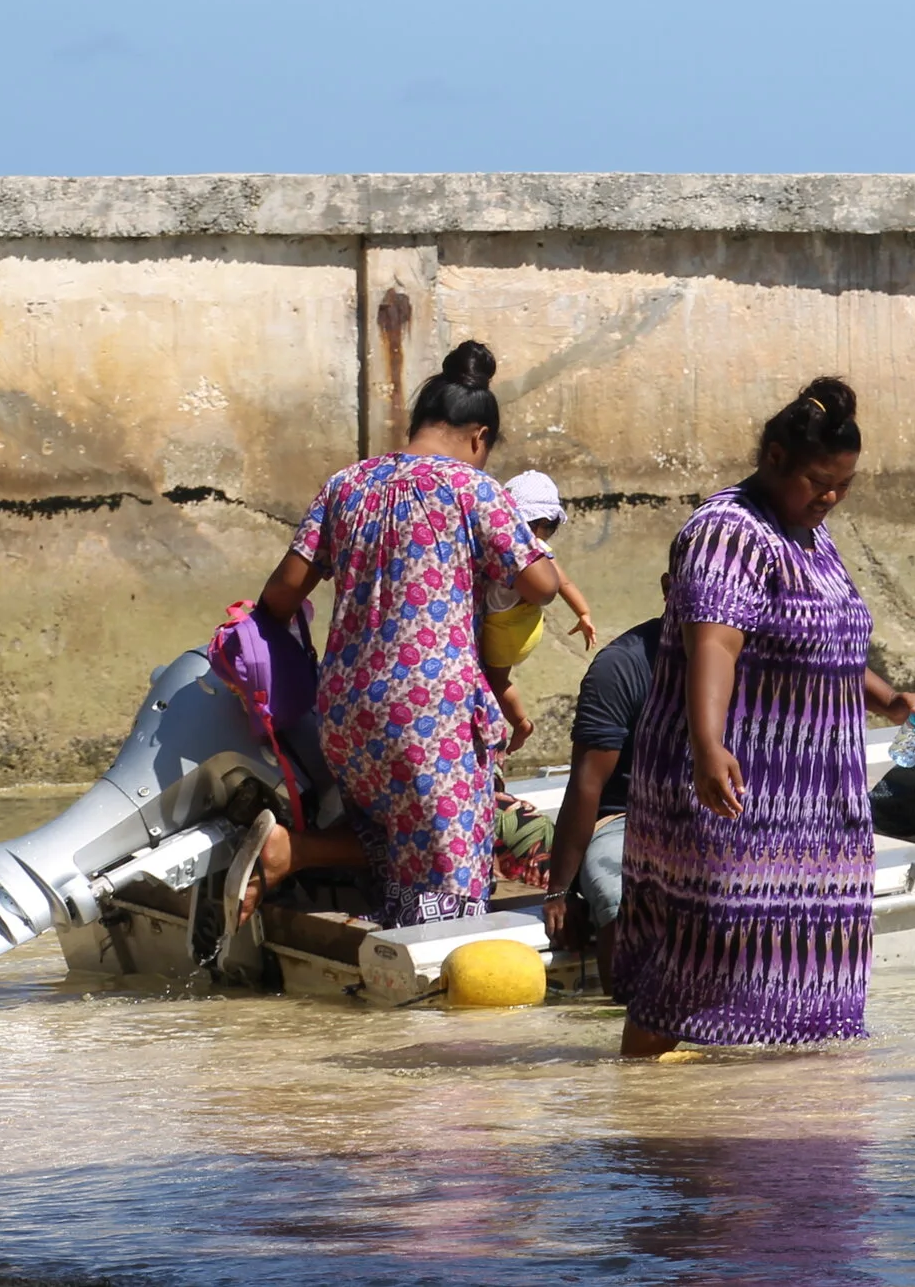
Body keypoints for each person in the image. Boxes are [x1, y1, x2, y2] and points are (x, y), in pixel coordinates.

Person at [611, 377, 915, 1056]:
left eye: (844, 483)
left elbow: (819, 642)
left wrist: (890, 698)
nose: (831, 496)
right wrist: (706, 741)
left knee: (798, 967)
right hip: (738, 783)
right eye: (819, 480)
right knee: (701, 959)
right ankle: (644, 1115)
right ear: (776, 456)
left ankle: (775, 1125)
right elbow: (715, 640)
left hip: (811, 800)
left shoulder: (810, 534)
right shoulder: (729, 530)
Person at [249, 340, 562, 926]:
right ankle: (439, 993)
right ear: (479, 437)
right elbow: (541, 584)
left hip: (344, 711)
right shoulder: (474, 489)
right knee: (452, 887)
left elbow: (282, 592)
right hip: (429, 714)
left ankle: (373, 978)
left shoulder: (346, 484)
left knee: (394, 849)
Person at [539, 574, 667, 986]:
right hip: (624, 820)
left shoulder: (754, 655)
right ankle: (622, 1038)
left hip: (711, 812)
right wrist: (559, 889)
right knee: (621, 897)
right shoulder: (622, 666)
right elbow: (586, 784)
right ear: (667, 587)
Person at [479, 469, 599, 751]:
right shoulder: (541, 549)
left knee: (497, 683)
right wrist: (584, 614)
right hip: (527, 626)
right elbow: (565, 583)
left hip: (505, 631)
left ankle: (521, 724)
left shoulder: (507, 548)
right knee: (498, 679)